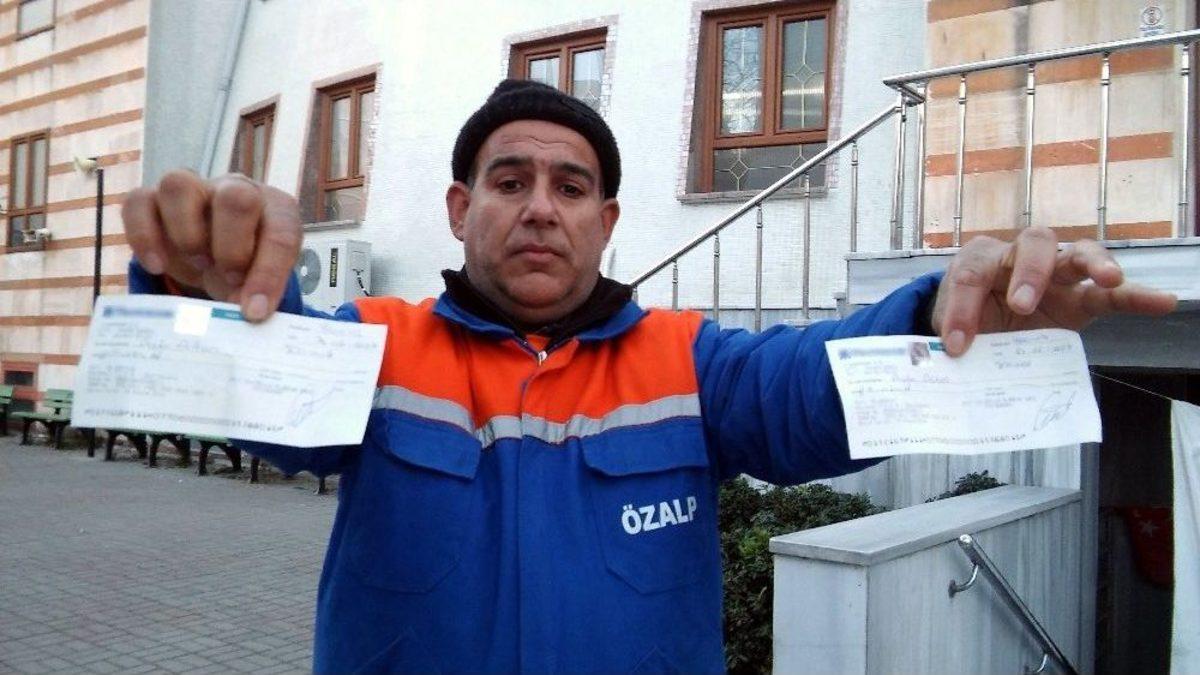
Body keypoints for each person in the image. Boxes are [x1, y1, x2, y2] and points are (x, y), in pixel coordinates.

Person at [122, 80, 1176, 673]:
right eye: (510, 180)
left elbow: (819, 385)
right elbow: (252, 391)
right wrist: (198, 287)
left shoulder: (691, 360)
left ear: (607, 220)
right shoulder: (377, 345)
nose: (542, 206)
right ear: (459, 209)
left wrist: (951, 319)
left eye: (571, 185)